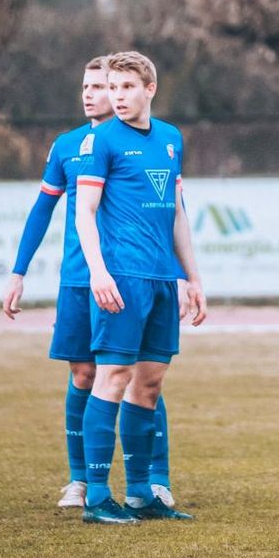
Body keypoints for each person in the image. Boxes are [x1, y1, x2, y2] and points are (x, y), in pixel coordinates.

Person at [2, 56, 177, 509]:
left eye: (101, 86)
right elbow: (43, 211)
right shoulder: (69, 146)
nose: (93, 94)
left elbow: (172, 210)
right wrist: (19, 271)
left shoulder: (151, 140)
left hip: (131, 275)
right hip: (83, 278)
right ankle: (82, 480)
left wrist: (185, 275)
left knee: (143, 377)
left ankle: (153, 479)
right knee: (87, 374)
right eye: (89, 86)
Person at [75, 50, 206, 525]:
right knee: (112, 379)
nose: (117, 96)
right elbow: (84, 212)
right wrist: (99, 271)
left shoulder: (171, 139)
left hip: (161, 281)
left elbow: (176, 214)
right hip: (122, 278)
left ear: (149, 89)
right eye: (112, 88)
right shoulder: (101, 141)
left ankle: (138, 493)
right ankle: (95, 496)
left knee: (148, 386)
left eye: (126, 87)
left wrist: (192, 278)